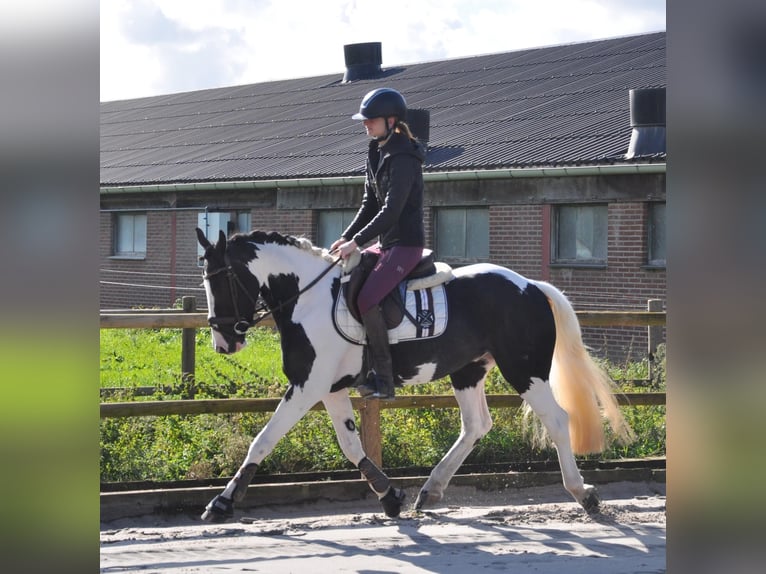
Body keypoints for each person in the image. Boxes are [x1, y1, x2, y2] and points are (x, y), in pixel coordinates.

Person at [330, 87, 426, 400]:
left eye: (371, 120)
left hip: (405, 246)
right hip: (386, 244)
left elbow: (391, 210)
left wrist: (357, 241)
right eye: (365, 120)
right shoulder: (376, 151)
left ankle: (384, 379)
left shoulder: (404, 157)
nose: (366, 124)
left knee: (368, 298)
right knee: (351, 282)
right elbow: (369, 203)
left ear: (391, 120)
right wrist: (346, 236)